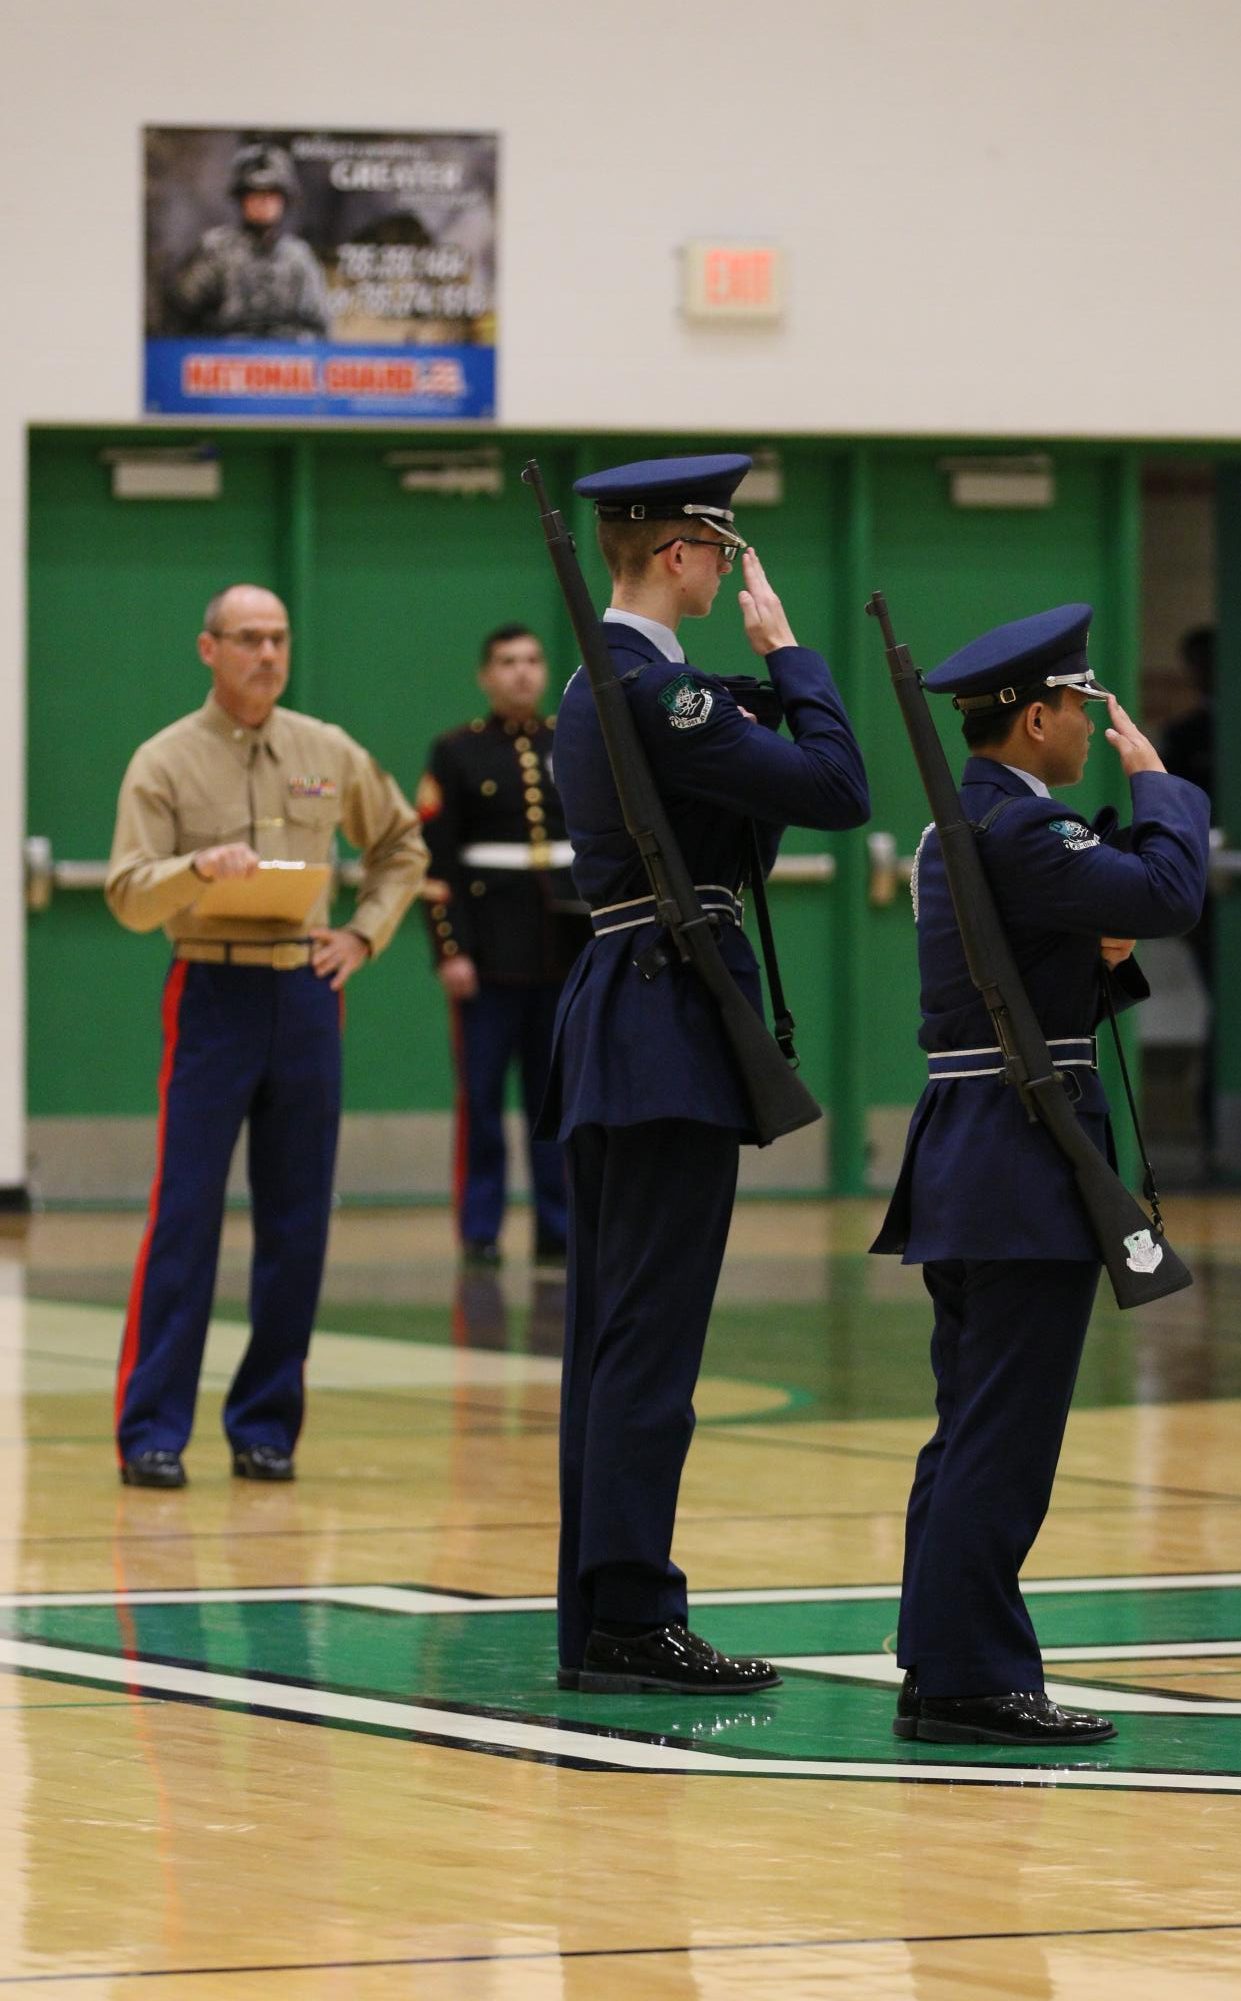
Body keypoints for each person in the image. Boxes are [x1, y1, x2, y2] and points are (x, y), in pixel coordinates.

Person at [542, 454, 870, 1694]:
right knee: (649, 1341)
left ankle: (604, 1614)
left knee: (615, 1336)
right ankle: (630, 1613)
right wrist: (789, 657)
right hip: (662, 1028)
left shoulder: (611, 680)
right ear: (679, 554)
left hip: (622, 1016)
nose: (730, 572)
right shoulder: (657, 695)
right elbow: (840, 790)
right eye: (719, 551)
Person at [872, 604, 1210, 1744]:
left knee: (967, 1424)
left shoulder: (961, 828)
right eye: (1077, 704)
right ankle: (970, 1676)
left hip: (976, 1149)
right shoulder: (1021, 832)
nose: (1088, 722)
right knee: (1003, 1435)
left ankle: (937, 1659)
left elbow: (1033, 976)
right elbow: (1167, 895)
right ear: (1032, 718)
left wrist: (1089, 946)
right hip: (1019, 1158)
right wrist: (1157, 782)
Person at [106, 583, 427, 1488]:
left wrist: (364, 931)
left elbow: (402, 845)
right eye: (248, 638)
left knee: (298, 1220)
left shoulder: (326, 750)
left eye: (278, 637)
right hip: (212, 990)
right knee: (186, 1215)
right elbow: (128, 892)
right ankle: (152, 1430)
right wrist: (195, 866)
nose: (267, 654)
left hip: (306, 995)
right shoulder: (163, 760)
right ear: (209, 649)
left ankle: (265, 1424)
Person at [417, 624, 587, 1264]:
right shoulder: (456, 752)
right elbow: (437, 866)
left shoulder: (570, 744)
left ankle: (558, 1226)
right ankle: (481, 1228)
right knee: (483, 1101)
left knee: (556, 1100)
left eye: (532, 660)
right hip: (487, 957)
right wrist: (450, 949)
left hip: (563, 951)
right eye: (507, 662)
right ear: (486, 676)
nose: (521, 673)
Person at [169, 143, 330, 341]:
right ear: (241, 198)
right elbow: (180, 312)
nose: (263, 202)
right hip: (225, 357)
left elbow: (320, 329)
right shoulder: (216, 250)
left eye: (271, 194)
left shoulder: (299, 257)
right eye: (255, 193)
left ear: (284, 199)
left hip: (285, 361)